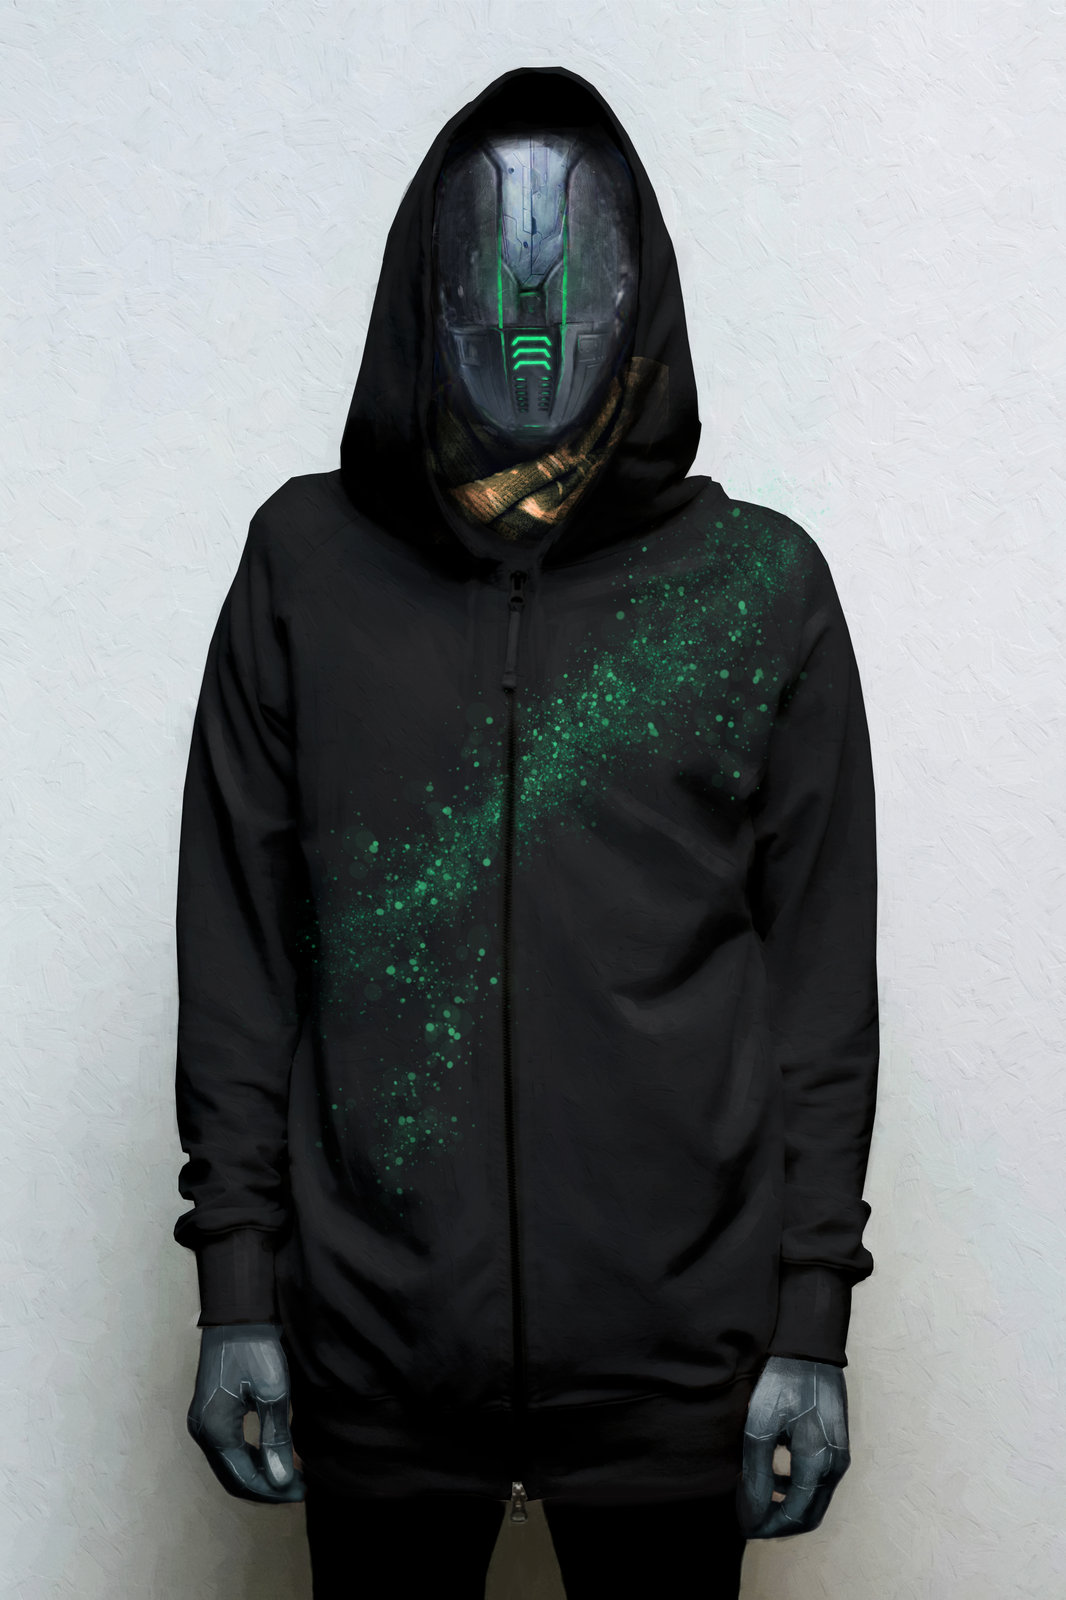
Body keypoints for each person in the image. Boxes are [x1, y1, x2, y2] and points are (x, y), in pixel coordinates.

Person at [174, 65, 879, 1599]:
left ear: (644, 288)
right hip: (370, 1357)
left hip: (677, 1368)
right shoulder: (305, 567)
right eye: (492, 267)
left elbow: (816, 991)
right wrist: (237, 1292)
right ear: (422, 289)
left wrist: (811, 1324)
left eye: (576, 265)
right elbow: (239, 953)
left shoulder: (755, 590)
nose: (534, 318)